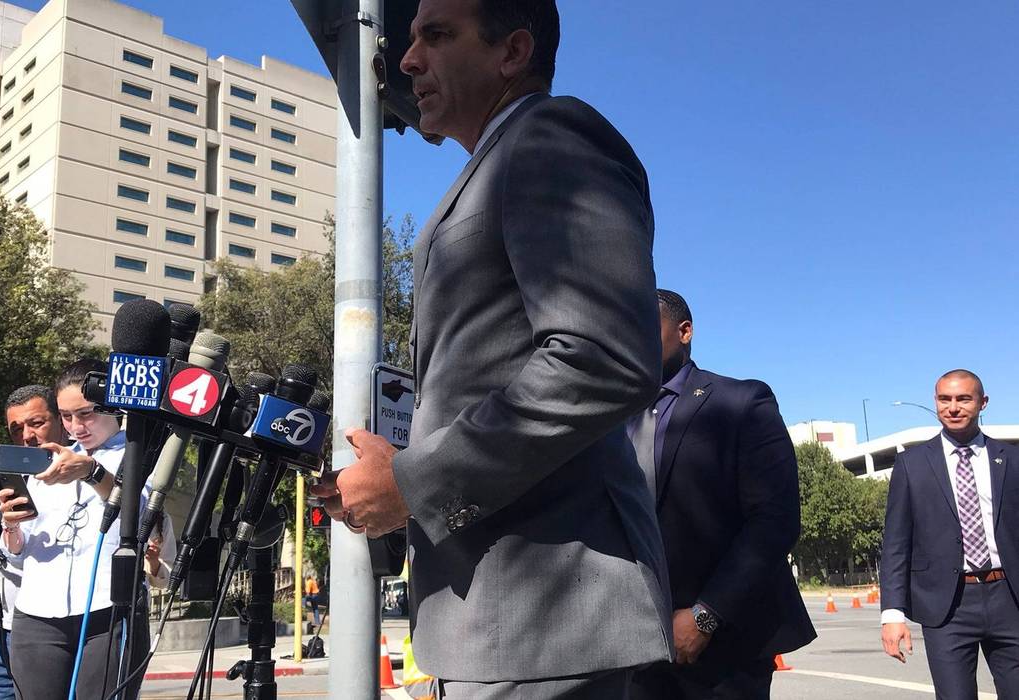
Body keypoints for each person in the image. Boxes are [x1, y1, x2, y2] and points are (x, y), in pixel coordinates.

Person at [313, 0, 673, 695]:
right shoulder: (499, 159)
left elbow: (600, 359)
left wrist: (412, 483)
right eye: (411, 39)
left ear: (511, 52)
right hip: (499, 626)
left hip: (545, 627)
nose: (408, 60)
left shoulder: (551, 135)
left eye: (436, 35)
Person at [628, 290, 816, 699]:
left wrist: (705, 616)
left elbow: (775, 520)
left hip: (724, 646)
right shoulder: (611, 418)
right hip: (633, 646)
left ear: (684, 331)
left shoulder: (741, 403)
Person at [0, 359, 150, 699]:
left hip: (107, 611)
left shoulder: (138, 453)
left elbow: (142, 516)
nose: (76, 426)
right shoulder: (53, 457)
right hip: (37, 614)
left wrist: (92, 472)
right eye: (66, 416)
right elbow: (17, 554)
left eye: (85, 414)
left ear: (112, 406)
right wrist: (11, 526)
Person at [880, 370, 1018, 698]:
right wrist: (892, 614)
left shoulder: (1011, 458)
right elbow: (896, 544)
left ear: (983, 403)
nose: (953, 407)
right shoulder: (912, 464)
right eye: (945, 399)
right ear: (936, 402)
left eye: (963, 399)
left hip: (1010, 598)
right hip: (947, 606)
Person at [0, 385, 62, 699]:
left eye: (36, 423)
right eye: (16, 429)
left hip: (49, 632)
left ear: (60, 420)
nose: (26, 436)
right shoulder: (5, 481)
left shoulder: (81, 481)